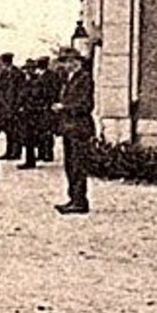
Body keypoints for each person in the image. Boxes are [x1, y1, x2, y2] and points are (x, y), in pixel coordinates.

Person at [52, 48, 95, 214]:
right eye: (63, 62)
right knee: (70, 165)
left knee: (78, 166)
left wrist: (64, 107)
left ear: (76, 62)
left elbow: (86, 105)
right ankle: (73, 199)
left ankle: (80, 201)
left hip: (79, 128)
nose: (65, 65)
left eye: (67, 61)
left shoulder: (84, 79)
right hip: (70, 128)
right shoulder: (70, 79)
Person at [0, 53, 22, 160]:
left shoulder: (17, 73)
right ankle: (9, 151)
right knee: (8, 130)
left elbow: (20, 91)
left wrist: (18, 105)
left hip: (14, 105)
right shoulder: (2, 73)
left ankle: (16, 152)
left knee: (15, 130)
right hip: (5, 106)